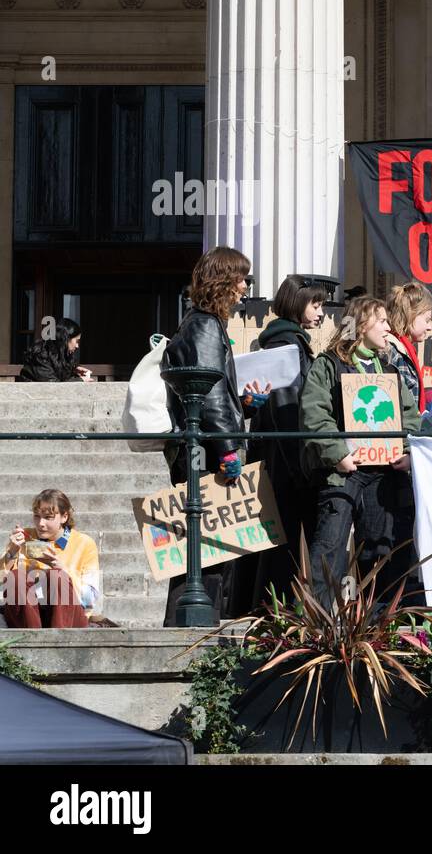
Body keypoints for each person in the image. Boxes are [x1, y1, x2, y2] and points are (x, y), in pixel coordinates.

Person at [161, 246, 269, 624]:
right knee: (208, 554)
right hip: (206, 458)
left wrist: (246, 404)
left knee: (199, 554)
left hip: (199, 450)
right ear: (224, 281)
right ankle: (193, 636)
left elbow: (212, 392)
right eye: (241, 278)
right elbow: (208, 395)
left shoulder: (197, 323)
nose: (244, 287)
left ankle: (188, 629)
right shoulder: (205, 325)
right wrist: (228, 450)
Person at [300, 295, 421, 605]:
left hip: (384, 473)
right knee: (330, 544)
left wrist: (407, 451)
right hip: (343, 472)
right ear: (362, 324)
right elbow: (315, 413)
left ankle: (381, 620)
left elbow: (410, 417)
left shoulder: (389, 371)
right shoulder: (328, 365)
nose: (387, 328)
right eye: (381, 321)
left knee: (383, 548)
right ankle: (320, 620)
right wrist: (338, 454)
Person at [246, 274, 331, 608]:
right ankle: (279, 614)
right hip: (288, 462)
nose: (321, 312)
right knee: (286, 545)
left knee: (279, 544)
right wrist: (302, 467)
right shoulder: (287, 346)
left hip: (275, 456)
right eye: (315, 304)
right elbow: (288, 409)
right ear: (297, 304)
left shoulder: (281, 341)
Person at [2, 490, 100, 629]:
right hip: (27, 616)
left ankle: (58, 642)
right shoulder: (23, 538)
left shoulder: (84, 543)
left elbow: (89, 599)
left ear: (64, 517)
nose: (41, 523)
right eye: (37, 516)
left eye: (48, 517)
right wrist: (11, 553)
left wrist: (63, 571)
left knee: (57, 576)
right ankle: (33, 640)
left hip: (69, 616)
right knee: (16, 576)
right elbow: (3, 586)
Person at [385, 282, 432, 415]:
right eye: (427, 320)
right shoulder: (391, 351)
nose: (429, 327)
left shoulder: (404, 349)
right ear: (410, 314)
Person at [17, 319, 92, 383]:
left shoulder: (61, 354)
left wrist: (74, 370)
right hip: (33, 398)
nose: (77, 346)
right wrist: (80, 380)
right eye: (77, 341)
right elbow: (52, 386)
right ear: (65, 339)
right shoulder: (40, 356)